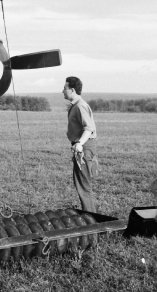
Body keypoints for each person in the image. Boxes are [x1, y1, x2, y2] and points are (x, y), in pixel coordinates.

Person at [62, 76, 98, 213]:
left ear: (72, 90)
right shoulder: (76, 105)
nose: (62, 91)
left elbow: (89, 128)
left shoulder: (80, 106)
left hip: (84, 147)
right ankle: (89, 215)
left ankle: (91, 220)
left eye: (64, 88)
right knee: (81, 183)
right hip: (82, 147)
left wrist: (79, 143)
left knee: (84, 185)